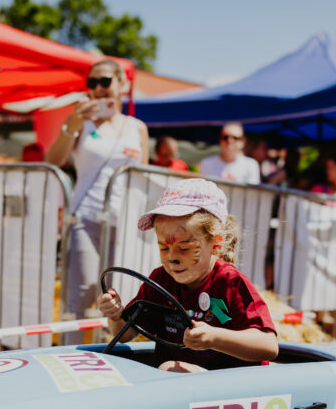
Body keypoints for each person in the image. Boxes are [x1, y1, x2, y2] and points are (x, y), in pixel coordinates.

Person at [97, 178, 278, 372]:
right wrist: (115, 315)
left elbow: (268, 345)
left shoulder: (230, 282)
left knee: (169, 368)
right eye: (164, 247)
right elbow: (124, 334)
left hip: (230, 385)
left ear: (215, 244)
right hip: (177, 384)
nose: (172, 258)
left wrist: (215, 338)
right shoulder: (161, 281)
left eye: (184, 248)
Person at [46, 59, 149, 330]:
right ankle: (72, 352)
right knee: (81, 294)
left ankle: (112, 349)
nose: (99, 88)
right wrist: (73, 122)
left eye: (105, 81)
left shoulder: (137, 127)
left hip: (125, 222)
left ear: (121, 84)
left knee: (121, 296)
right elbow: (53, 160)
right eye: (92, 82)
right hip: (86, 217)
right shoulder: (81, 122)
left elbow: (144, 177)